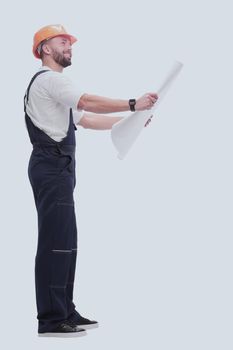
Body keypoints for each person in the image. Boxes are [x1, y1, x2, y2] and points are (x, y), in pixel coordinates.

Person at [24, 24, 158, 337]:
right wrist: (132, 104)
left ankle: (65, 310)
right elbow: (87, 102)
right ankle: (51, 319)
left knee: (66, 243)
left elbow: (86, 119)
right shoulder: (50, 81)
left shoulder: (54, 88)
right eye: (63, 42)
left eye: (70, 43)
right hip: (51, 166)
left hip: (59, 169)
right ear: (45, 48)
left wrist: (134, 121)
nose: (69, 47)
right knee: (54, 243)